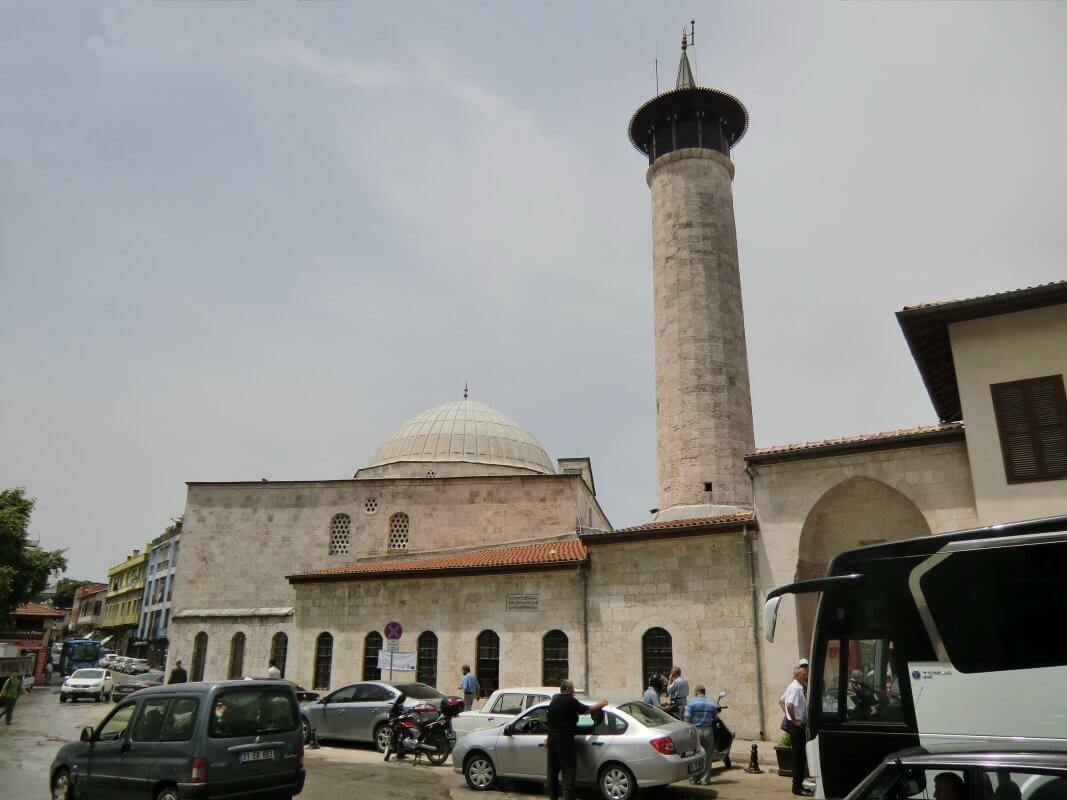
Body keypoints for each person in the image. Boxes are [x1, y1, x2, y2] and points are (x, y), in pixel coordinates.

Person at [546, 680, 608, 800]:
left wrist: (548, 738)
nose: (574, 691)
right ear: (568, 689)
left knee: (552, 771)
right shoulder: (569, 700)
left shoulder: (554, 702)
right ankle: (568, 797)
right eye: (572, 688)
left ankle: (552, 796)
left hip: (553, 741)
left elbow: (550, 723)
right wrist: (600, 704)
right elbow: (586, 710)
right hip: (564, 741)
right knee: (568, 770)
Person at [781, 665, 812, 796]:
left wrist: (788, 717)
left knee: (799, 757)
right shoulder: (795, 688)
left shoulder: (793, 686)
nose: (806, 676)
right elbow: (788, 704)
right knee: (799, 758)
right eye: (804, 674)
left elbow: (781, 701)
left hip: (795, 725)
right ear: (798, 675)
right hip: (797, 726)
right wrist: (793, 720)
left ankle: (798, 784)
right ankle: (797, 788)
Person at [684, 685, 720, 786]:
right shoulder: (712, 704)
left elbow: (687, 718)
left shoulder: (692, 702)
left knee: (694, 755)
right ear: (704, 692)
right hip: (708, 731)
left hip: (695, 731)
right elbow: (715, 719)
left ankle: (694, 779)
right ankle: (705, 780)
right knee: (708, 756)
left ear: (696, 692)